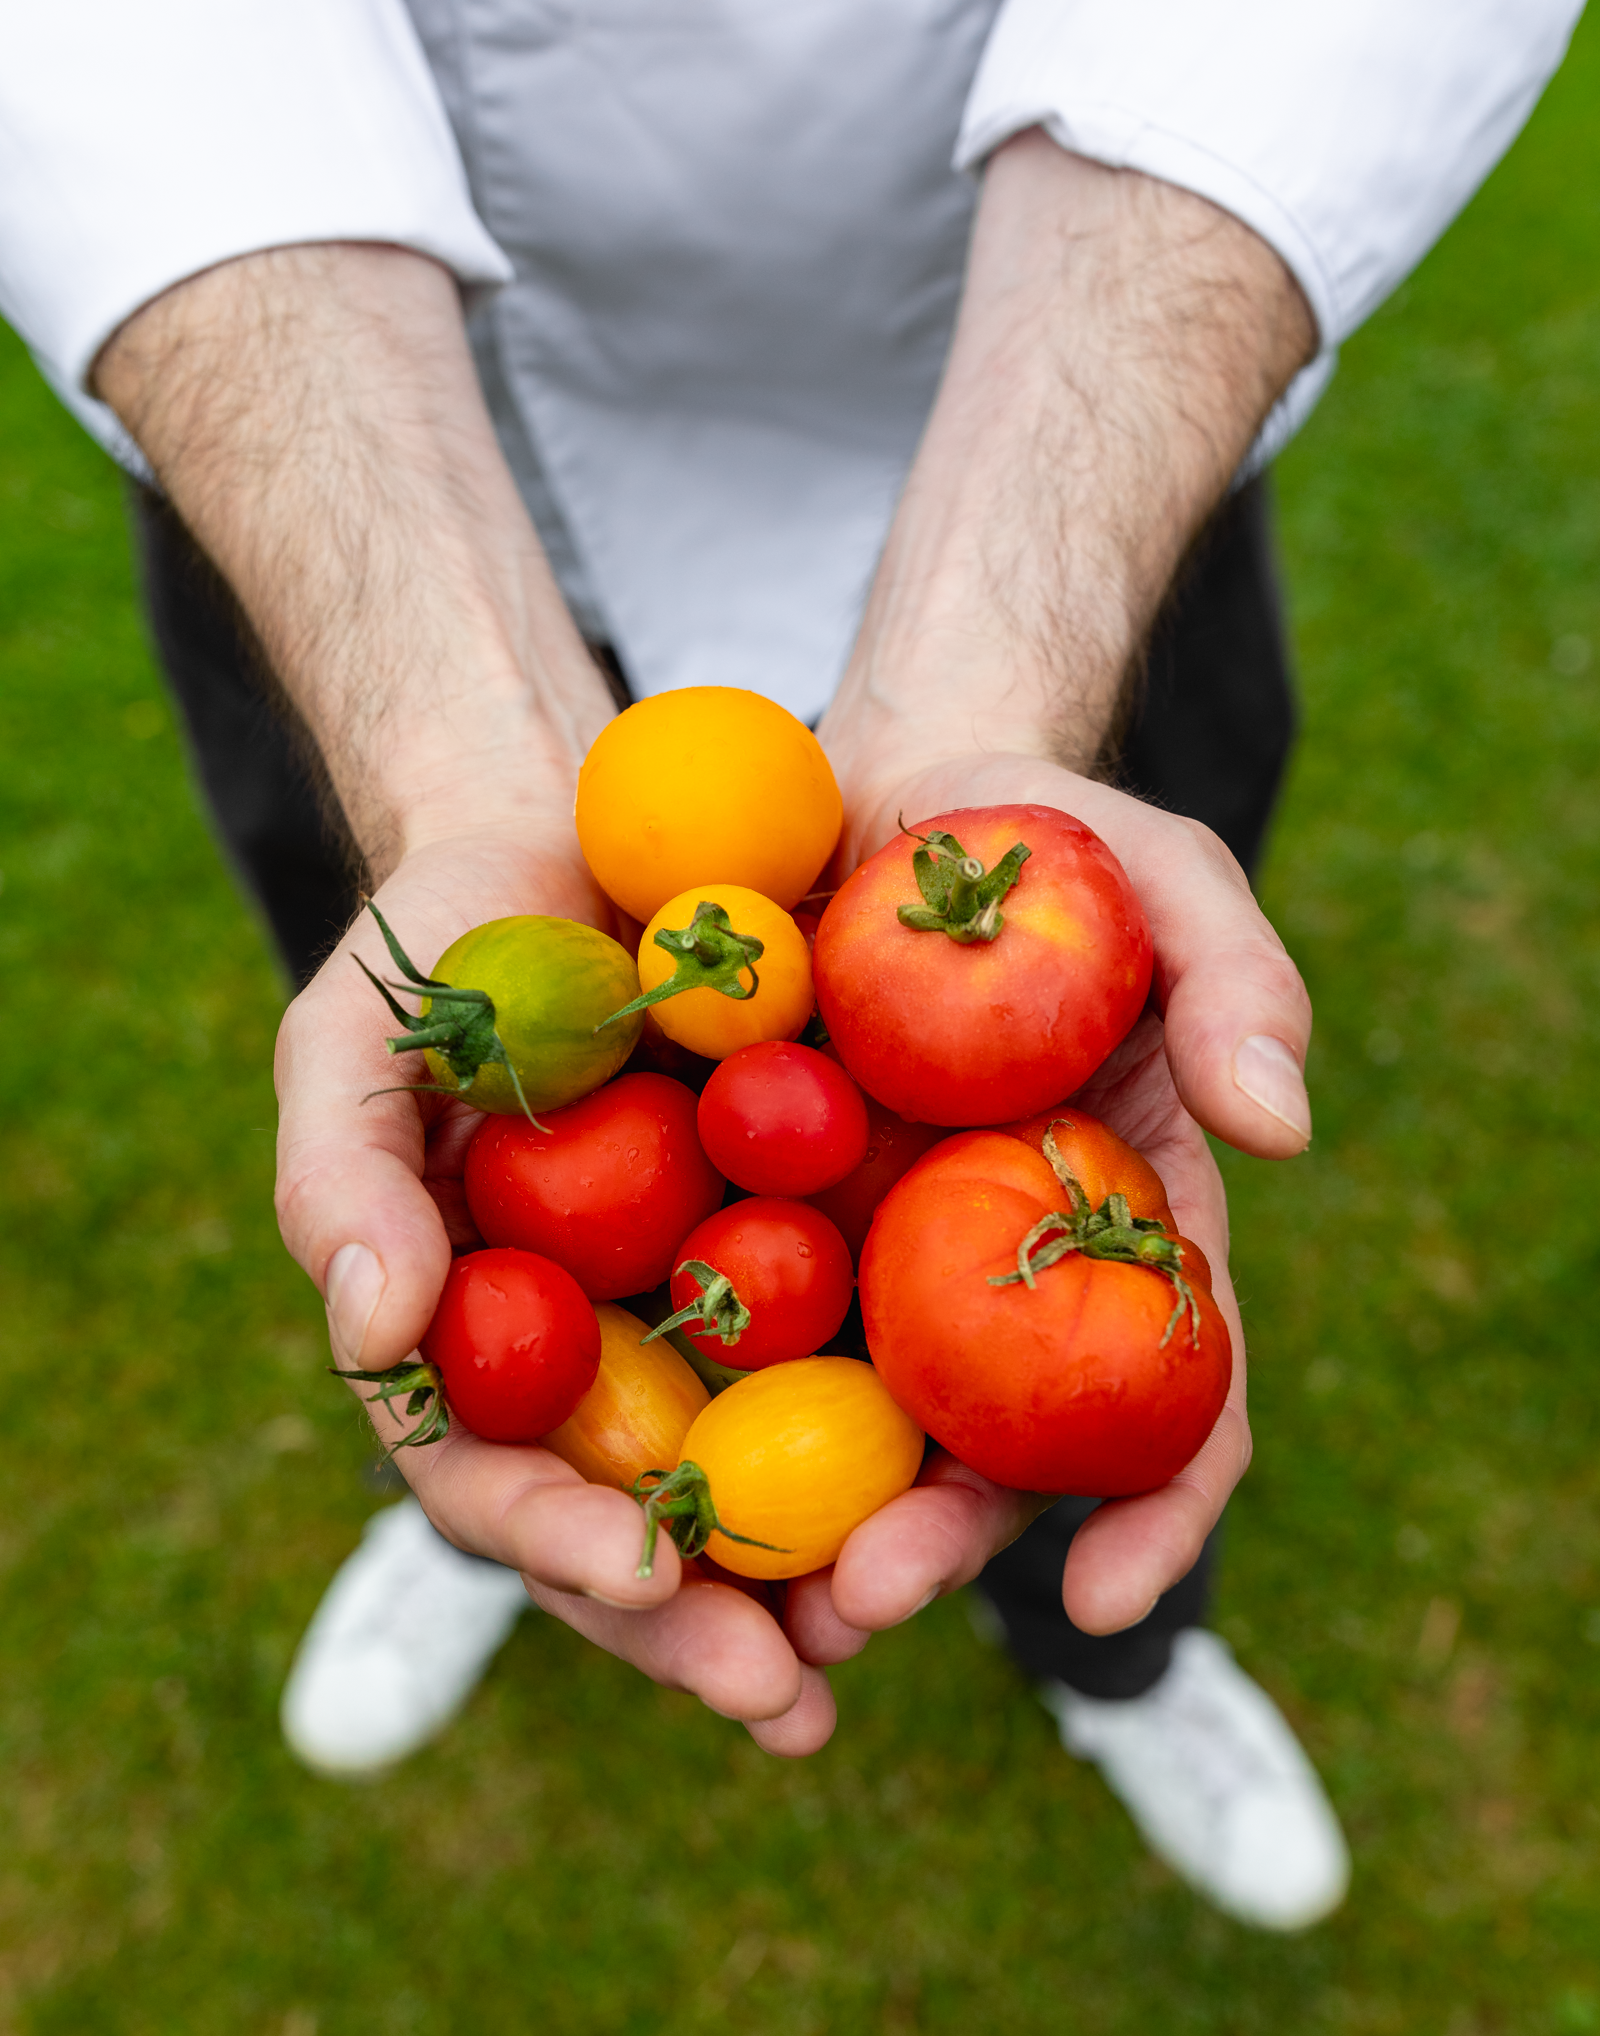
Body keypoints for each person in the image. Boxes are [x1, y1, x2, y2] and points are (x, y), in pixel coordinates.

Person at [1, 0, 1578, 1931]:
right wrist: (446, 733)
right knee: (440, 1205)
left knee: (1061, 1359)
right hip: (368, 457)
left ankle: (1121, 1659)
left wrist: (1002, 654)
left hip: (1058, 416)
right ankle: (494, 1519)